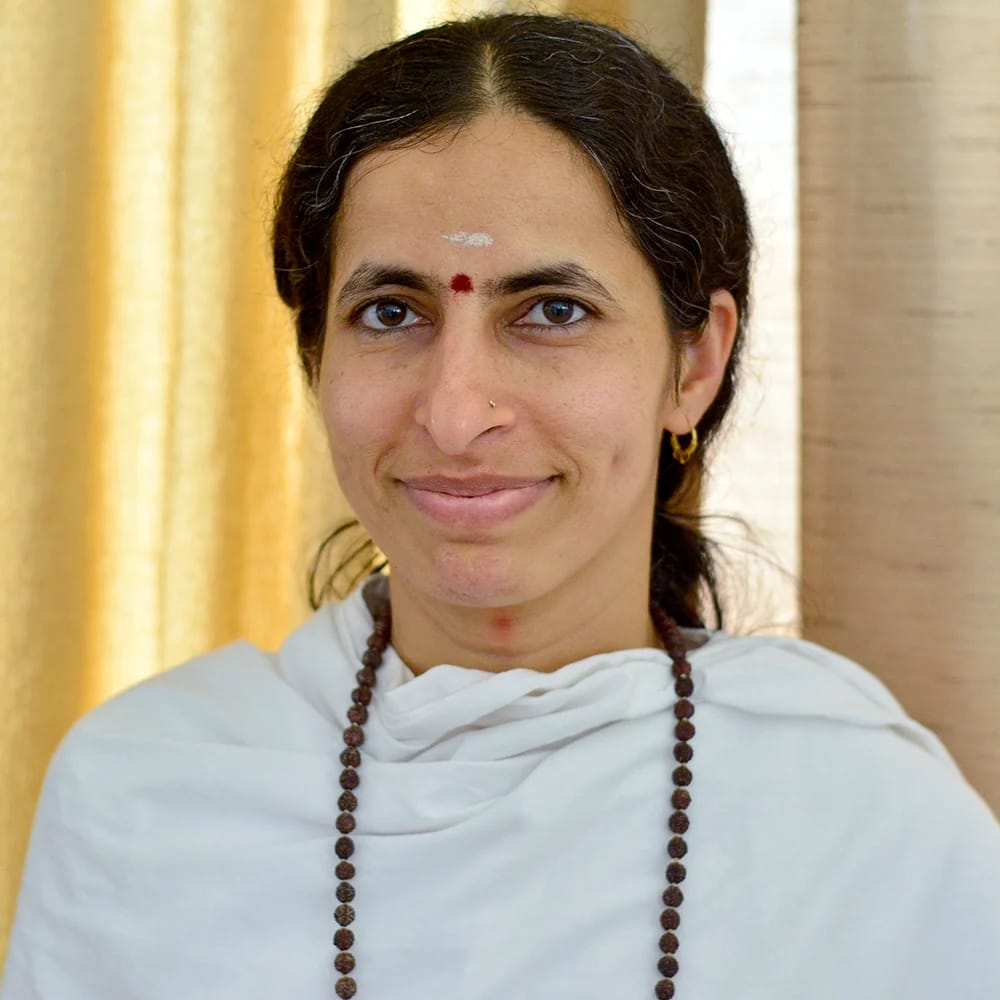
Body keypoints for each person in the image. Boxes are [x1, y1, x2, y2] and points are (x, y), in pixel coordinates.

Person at [3, 12, 1000, 1000]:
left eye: (553, 312)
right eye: (390, 312)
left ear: (693, 363)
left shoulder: (864, 827)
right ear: (314, 358)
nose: (455, 413)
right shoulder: (144, 794)